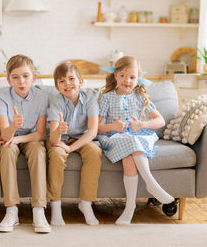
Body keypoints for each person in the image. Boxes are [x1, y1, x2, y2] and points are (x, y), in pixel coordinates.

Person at [97, 56, 174, 225]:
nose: (127, 80)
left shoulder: (140, 97)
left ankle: (130, 206)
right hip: (113, 137)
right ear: (116, 75)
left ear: (138, 79)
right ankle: (151, 184)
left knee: (129, 155)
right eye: (123, 76)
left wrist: (141, 124)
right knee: (130, 143)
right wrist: (113, 127)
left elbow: (160, 121)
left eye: (132, 77)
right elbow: (95, 127)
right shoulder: (107, 97)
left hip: (136, 136)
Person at [0, 55, 51, 233]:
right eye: (15, 77)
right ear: (8, 79)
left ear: (34, 77)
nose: (21, 81)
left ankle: (39, 210)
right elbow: (4, 134)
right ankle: (11, 210)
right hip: (9, 137)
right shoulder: (1, 98)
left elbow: (40, 134)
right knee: (7, 149)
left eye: (26, 76)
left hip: (31, 138)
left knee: (38, 152)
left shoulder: (41, 97)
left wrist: (17, 138)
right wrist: (14, 126)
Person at [47, 61, 102, 226]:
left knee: (94, 152)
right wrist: (59, 131)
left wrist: (71, 148)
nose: (67, 84)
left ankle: (85, 203)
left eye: (71, 79)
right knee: (56, 155)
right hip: (60, 139)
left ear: (81, 81)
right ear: (57, 87)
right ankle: (56, 206)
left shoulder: (91, 99)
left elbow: (92, 131)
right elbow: (53, 139)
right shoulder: (56, 101)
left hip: (82, 138)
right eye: (62, 81)